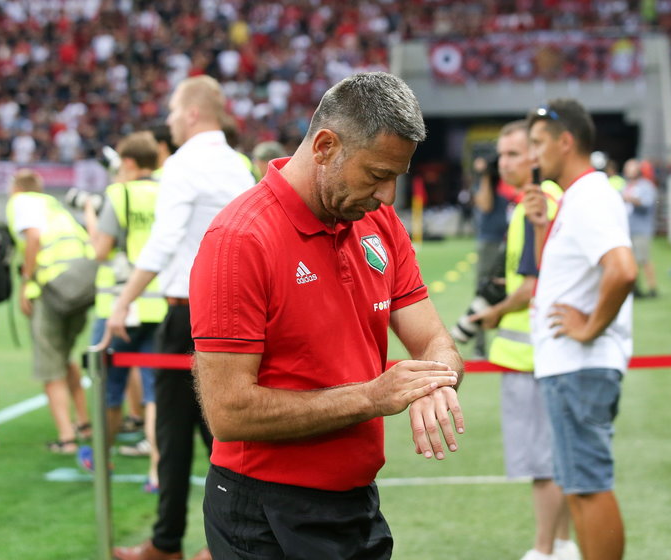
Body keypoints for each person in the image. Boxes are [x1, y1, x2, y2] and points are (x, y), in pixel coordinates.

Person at [190, 71, 465, 559]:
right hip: (264, 512)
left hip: (355, 502)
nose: (388, 197)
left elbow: (433, 341)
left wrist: (437, 380)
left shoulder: (376, 221)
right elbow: (227, 411)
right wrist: (370, 397)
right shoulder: (240, 240)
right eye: (378, 175)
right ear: (324, 146)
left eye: (395, 178)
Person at [106, 75, 256, 560]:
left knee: (178, 435)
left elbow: (165, 241)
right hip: (233, 314)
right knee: (227, 435)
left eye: (172, 110)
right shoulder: (238, 164)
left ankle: (170, 542)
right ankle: (225, 540)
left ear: (192, 113)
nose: (168, 119)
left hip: (187, 316)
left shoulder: (185, 163)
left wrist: (123, 300)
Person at [523, 99, 637, 560]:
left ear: (565, 142)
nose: (533, 156)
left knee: (588, 487)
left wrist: (589, 329)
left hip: (580, 365)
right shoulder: (581, 196)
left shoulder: (590, 194)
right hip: (571, 367)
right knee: (578, 485)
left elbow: (623, 270)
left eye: (537, 143)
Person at [467, 120, 576, 560]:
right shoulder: (535, 203)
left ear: (536, 155)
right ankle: (563, 545)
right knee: (554, 460)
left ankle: (545, 549)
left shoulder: (538, 203)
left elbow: (534, 286)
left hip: (532, 354)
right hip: (539, 350)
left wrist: (488, 315)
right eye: (503, 155)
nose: (505, 163)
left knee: (542, 465)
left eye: (515, 153)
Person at [77, 131, 164, 494]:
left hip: (118, 305)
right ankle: (157, 472)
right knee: (154, 394)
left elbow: (100, 250)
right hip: (159, 305)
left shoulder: (119, 194)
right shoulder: (167, 191)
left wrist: (88, 215)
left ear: (127, 163)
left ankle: (102, 457)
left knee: (109, 390)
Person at [6, 169, 92, 454]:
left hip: (52, 289)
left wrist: (26, 281)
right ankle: (84, 424)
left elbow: (32, 237)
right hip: (81, 286)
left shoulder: (20, 203)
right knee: (65, 358)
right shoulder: (52, 205)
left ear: (16, 188)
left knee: (49, 365)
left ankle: (66, 438)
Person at [471, 151, 515, 357]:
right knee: (484, 292)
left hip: (510, 241)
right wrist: (486, 176)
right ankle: (480, 346)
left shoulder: (509, 182)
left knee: (510, 290)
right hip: (489, 242)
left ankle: (506, 340)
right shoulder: (483, 184)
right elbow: (485, 204)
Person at [622, 158, 659, 298]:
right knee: (631, 260)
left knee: (644, 259)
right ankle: (635, 288)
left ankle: (652, 288)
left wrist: (631, 199)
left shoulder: (646, 186)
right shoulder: (625, 185)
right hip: (627, 229)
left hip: (641, 228)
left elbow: (648, 203)